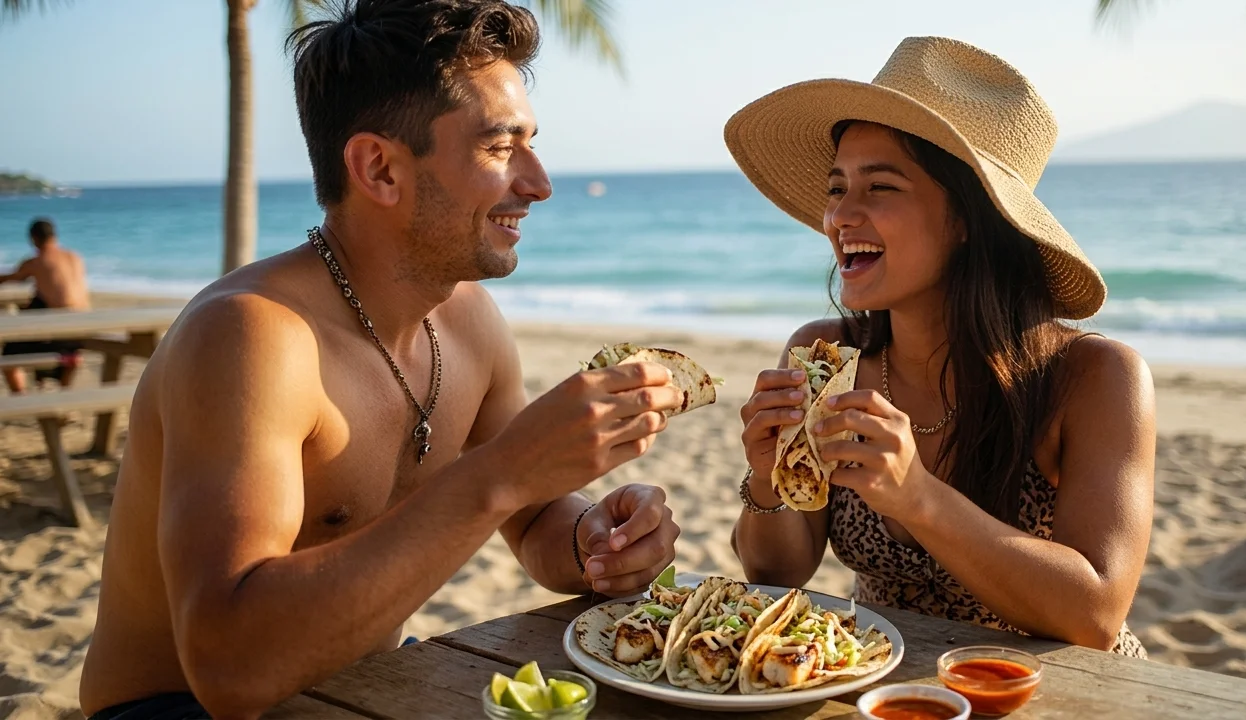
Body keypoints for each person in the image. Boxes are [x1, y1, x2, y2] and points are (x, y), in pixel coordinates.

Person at [79, 3, 684, 717]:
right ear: (379, 168)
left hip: (359, 686)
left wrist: (596, 540)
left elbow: (534, 515)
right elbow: (228, 670)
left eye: (532, 144)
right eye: (500, 148)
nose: (538, 182)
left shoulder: (468, 323)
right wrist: (498, 473)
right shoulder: (251, 338)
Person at [728, 37, 1155, 656]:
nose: (840, 217)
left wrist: (919, 497)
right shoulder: (825, 356)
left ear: (965, 219)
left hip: (1048, 692)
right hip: (882, 684)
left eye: (879, 188)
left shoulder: (1092, 376)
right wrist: (768, 478)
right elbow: (775, 576)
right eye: (836, 187)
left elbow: (1095, 616)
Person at [0, 217, 90, 393]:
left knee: (8, 357)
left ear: (33, 238)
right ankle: (62, 389)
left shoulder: (36, 261)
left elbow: (11, 278)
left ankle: (21, 398)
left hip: (59, 332)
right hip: (83, 329)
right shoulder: (75, 257)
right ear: (54, 236)